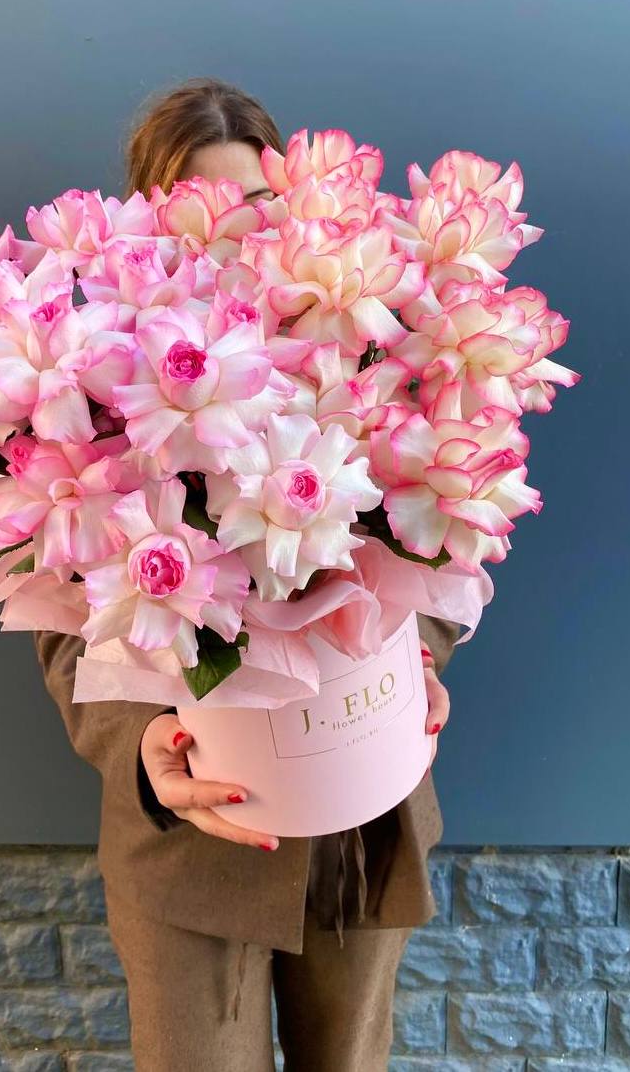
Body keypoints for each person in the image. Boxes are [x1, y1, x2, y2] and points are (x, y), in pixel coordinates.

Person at [33, 76, 461, 1072]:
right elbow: (60, 622)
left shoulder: (374, 348)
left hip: (359, 813)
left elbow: (441, 538)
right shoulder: (91, 384)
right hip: (193, 838)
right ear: (148, 225)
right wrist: (141, 745)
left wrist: (421, 663)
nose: (229, 237)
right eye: (197, 211)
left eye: (255, 207)